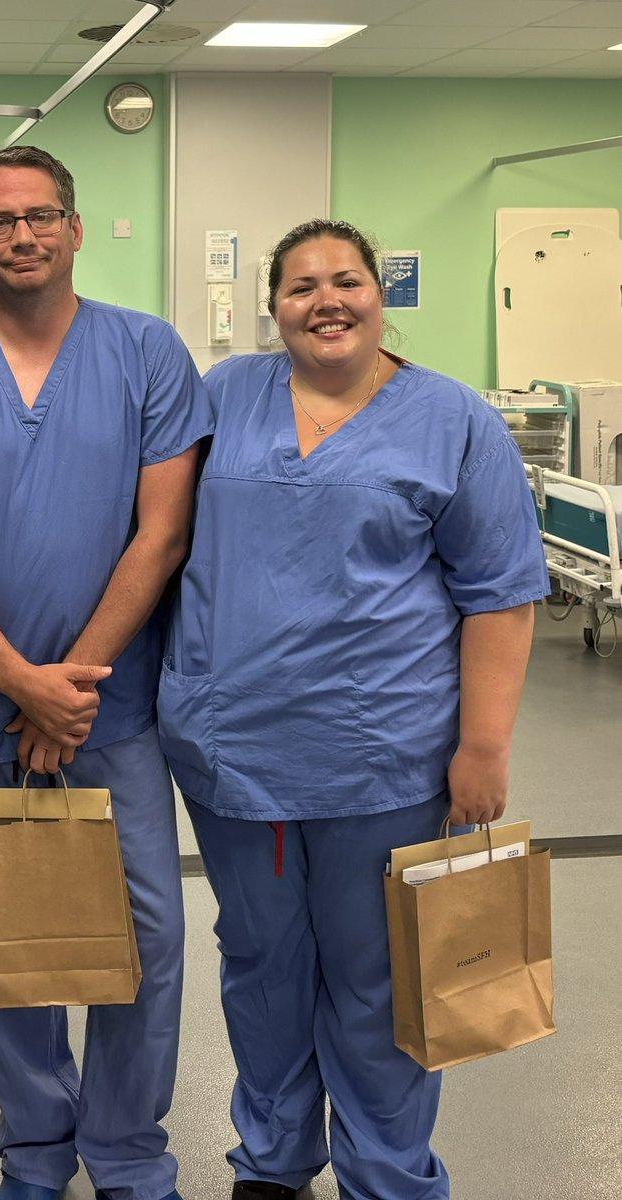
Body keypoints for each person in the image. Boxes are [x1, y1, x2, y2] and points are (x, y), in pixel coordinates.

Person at [157, 218, 549, 1200]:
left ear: (379, 294)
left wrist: (482, 747)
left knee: (380, 984)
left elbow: (499, 594)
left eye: (344, 281)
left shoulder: (453, 420)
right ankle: (275, 1162)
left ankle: (387, 1174)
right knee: (259, 970)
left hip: (383, 757)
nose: (324, 301)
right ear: (273, 306)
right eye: (299, 286)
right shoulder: (224, 396)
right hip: (232, 756)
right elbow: (160, 539)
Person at [0, 145, 210, 1200]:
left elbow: (160, 536)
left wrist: (67, 688)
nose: (19, 236)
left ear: (73, 228)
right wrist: (19, 683)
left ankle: (125, 1151)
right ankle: (33, 1147)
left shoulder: (146, 353)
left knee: (145, 941)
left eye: (39, 216)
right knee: (8, 942)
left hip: (108, 715)